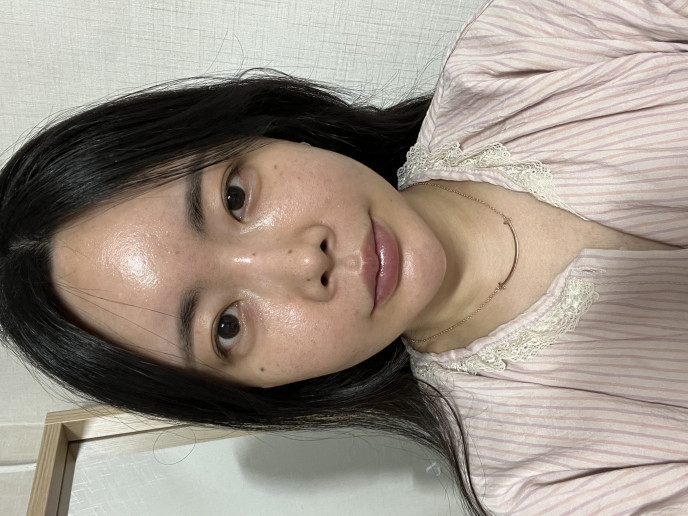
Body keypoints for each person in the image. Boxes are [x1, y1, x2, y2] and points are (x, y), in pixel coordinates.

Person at [2, 0, 688, 514]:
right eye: (226, 326)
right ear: (258, 392)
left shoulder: (525, 49)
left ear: (267, 131)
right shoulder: (543, 484)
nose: (303, 263)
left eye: (235, 197)